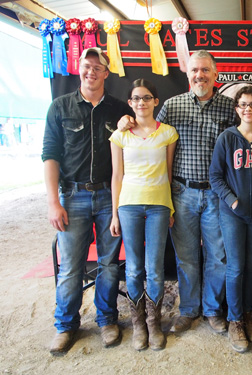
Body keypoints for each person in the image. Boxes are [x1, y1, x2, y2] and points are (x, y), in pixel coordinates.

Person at [117, 50, 252, 335]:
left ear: (215, 74)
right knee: (187, 257)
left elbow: (247, 127)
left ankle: (213, 310)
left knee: (218, 257)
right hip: (181, 192)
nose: (199, 75)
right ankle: (189, 310)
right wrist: (126, 122)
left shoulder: (231, 107)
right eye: (194, 71)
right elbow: (149, 129)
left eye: (205, 70)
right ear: (188, 74)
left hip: (218, 195)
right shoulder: (172, 106)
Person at [42, 47, 134, 355]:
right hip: (72, 196)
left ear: (107, 73)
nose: (91, 71)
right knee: (71, 267)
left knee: (108, 264)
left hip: (110, 196)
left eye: (98, 67)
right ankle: (65, 326)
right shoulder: (60, 107)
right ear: (78, 69)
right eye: (86, 65)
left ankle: (107, 320)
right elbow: (50, 155)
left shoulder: (121, 110)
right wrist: (53, 202)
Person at [109, 79, 178, 351]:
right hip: (129, 205)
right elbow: (117, 176)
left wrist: (170, 206)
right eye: (136, 98)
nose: (142, 102)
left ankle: (153, 322)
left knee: (155, 267)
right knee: (135, 267)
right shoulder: (120, 135)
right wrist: (115, 214)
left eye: (147, 97)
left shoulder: (168, 133)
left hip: (159, 204)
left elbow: (169, 173)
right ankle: (138, 324)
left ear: (155, 101)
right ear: (130, 103)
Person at [209, 86, 252, 353]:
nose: (247, 109)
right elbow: (215, 176)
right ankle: (235, 320)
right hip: (233, 215)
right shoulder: (227, 138)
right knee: (235, 267)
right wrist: (233, 201)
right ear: (236, 109)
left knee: (249, 266)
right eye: (242, 104)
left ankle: (247, 314)